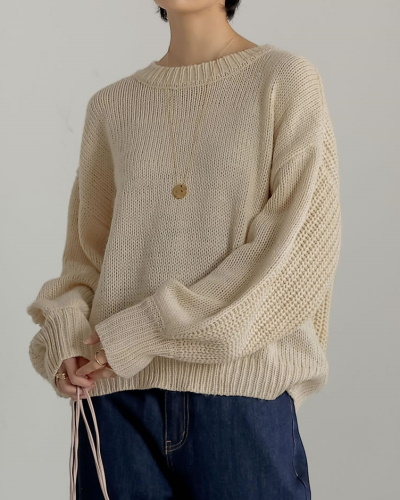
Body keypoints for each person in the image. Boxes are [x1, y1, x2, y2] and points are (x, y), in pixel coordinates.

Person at [26, 1, 342, 498]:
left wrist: (145, 328)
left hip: (238, 398)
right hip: (116, 404)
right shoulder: (113, 106)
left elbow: (296, 257)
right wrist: (67, 336)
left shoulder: (284, 80)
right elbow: (85, 262)